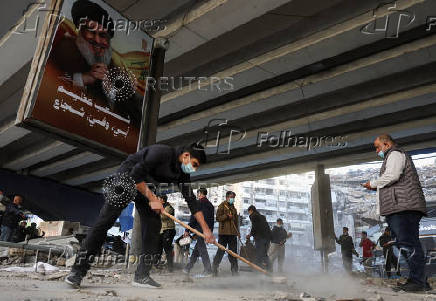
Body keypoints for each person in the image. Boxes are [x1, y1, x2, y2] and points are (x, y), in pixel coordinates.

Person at [65, 143, 215, 288]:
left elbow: (192, 202)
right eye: (194, 164)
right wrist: (153, 198)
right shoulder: (161, 153)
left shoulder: (182, 174)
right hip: (125, 179)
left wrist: (206, 231)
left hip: (146, 187)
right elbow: (135, 176)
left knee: (153, 225)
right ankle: (77, 272)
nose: (193, 169)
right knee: (105, 222)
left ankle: (142, 276)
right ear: (186, 155)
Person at [50, 0, 141, 126]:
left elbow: (136, 114)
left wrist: (112, 92)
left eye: (103, 35)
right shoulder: (63, 51)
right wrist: (82, 79)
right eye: (92, 32)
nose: (97, 40)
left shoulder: (115, 71)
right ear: (80, 31)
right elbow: (51, 88)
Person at [363, 134, 429, 292]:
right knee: (406, 242)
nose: (377, 151)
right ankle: (419, 280)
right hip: (400, 206)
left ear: (386, 144)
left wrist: (372, 183)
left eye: (378, 147)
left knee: (407, 243)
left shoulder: (395, 154)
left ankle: (418, 281)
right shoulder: (392, 156)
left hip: (403, 206)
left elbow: (392, 176)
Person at [183, 187, 215, 277]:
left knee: (202, 249)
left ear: (200, 194)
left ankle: (208, 270)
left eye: (198, 194)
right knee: (197, 249)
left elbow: (194, 217)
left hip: (200, 229)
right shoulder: (210, 205)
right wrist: (210, 232)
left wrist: (187, 229)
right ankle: (188, 268)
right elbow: (212, 221)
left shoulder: (198, 203)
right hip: (207, 230)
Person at [212, 191, 239, 276]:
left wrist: (238, 232)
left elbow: (236, 221)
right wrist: (227, 216)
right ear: (227, 197)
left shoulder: (233, 208)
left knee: (233, 253)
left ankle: (235, 271)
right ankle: (214, 269)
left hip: (232, 234)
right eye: (231, 197)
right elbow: (218, 218)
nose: (232, 199)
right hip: (224, 233)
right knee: (221, 251)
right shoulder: (222, 206)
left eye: (233, 197)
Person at [246, 205, 272, 271]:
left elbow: (254, 226)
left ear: (251, 210)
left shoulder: (253, 216)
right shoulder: (262, 217)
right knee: (262, 254)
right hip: (267, 238)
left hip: (260, 238)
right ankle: (259, 269)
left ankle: (268, 269)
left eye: (249, 212)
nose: (249, 214)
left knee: (261, 254)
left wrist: (250, 234)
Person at [158, 194, 176, 272]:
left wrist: (157, 211)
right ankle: (157, 264)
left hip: (168, 230)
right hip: (162, 230)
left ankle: (170, 267)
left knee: (167, 248)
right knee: (158, 248)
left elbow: (164, 217)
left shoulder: (168, 207)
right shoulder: (161, 206)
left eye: (158, 199)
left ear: (162, 199)